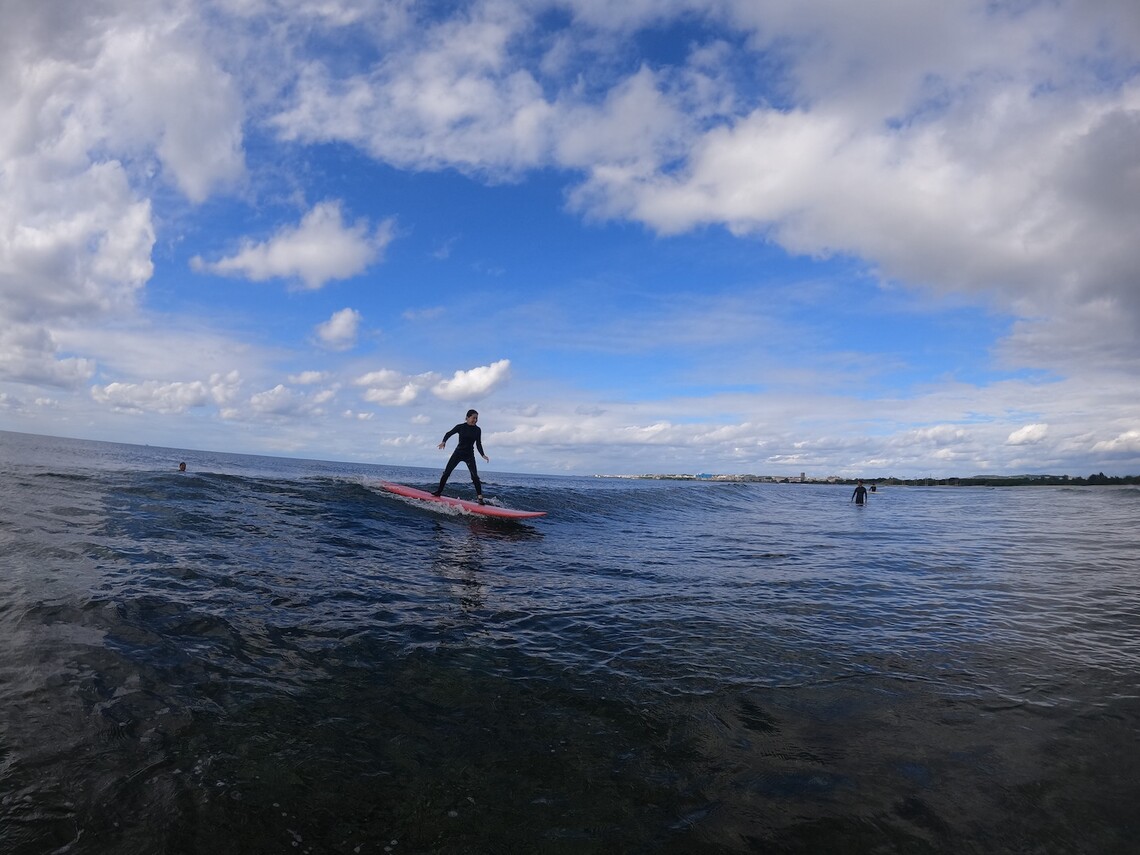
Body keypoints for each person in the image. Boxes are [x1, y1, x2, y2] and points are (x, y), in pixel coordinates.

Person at [432, 409, 489, 503]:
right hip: (458, 453)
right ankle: (439, 492)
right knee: (446, 473)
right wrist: (443, 441)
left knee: (475, 476)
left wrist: (483, 454)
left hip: (469, 455)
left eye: (477, 418)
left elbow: (478, 444)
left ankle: (480, 498)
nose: (475, 420)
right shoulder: (460, 427)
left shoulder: (477, 430)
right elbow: (448, 433)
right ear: (467, 417)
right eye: (473, 418)